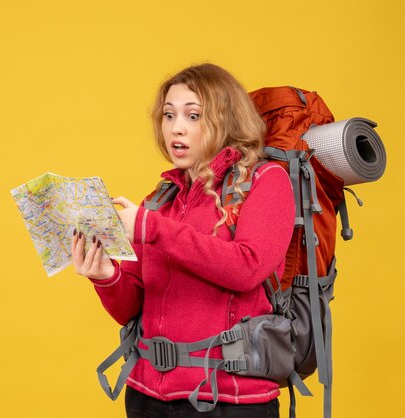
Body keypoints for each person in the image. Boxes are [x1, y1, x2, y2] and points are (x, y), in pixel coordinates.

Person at [72, 63, 295, 418]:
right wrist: (104, 276)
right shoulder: (158, 201)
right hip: (147, 395)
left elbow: (247, 268)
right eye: (169, 115)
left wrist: (153, 230)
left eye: (194, 116)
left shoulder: (267, 181)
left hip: (229, 400)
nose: (177, 128)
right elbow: (131, 309)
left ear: (228, 119)